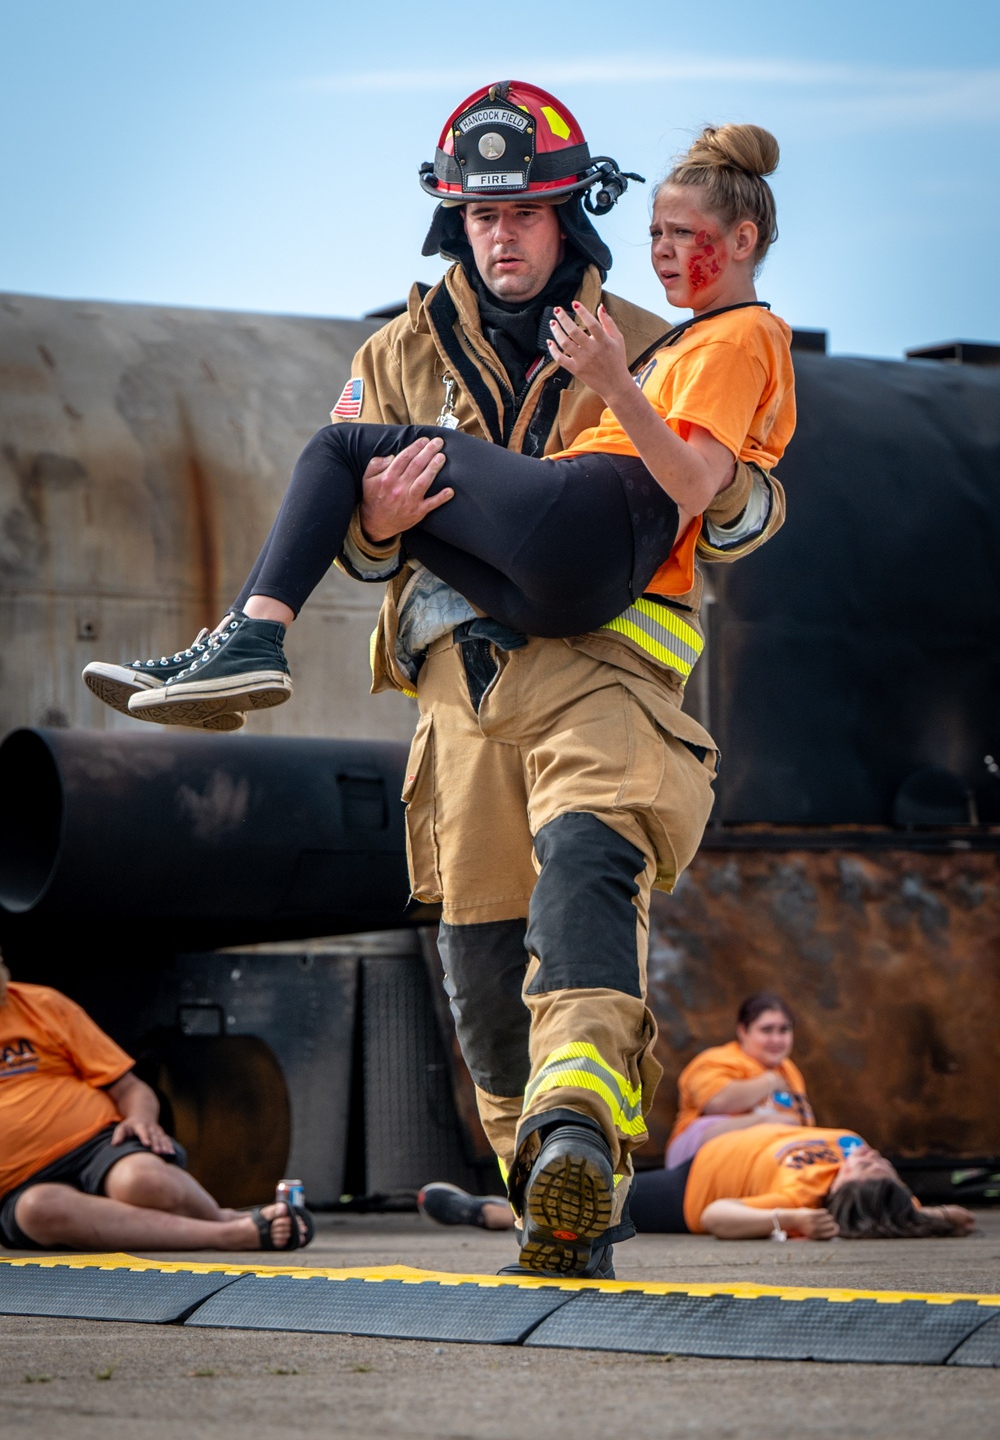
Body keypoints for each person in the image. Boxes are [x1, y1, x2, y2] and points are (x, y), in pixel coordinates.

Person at [83, 82, 788, 1280]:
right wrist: (374, 521)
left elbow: (735, 511)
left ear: (570, 218)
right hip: (458, 697)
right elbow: (359, 540)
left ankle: (576, 1135)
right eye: (476, 218)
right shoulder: (393, 355)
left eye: (522, 216)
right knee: (478, 959)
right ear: (450, 224)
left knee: (587, 875)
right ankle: (550, 1197)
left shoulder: (656, 332)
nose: (500, 237)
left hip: (606, 671)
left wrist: (680, 453)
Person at [0, 951, 313, 1253]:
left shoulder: (42, 1005)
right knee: (39, 1210)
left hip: (97, 1145)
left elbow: (130, 1088)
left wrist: (141, 1120)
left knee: (143, 1181)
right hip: (17, 1183)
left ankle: (227, 1219)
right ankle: (230, 1234)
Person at [628, 1122, 975, 1240]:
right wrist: (933, 1216)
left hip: (692, 1185)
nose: (874, 1156)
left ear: (843, 1189)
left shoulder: (804, 1198)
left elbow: (715, 1215)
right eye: (884, 1165)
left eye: (868, 1167)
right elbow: (960, 1216)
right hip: (722, 1148)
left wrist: (790, 1219)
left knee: (603, 1197)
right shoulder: (889, 1197)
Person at [667, 992, 814, 1168]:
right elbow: (717, 1103)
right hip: (695, 1152)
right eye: (766, 1030)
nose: (776, 1039)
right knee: (781, 1122)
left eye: (784, 1030)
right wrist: (771, 1081)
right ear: (743, 1031)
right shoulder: (715, 1060)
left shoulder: (789, 1070)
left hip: (764, 1156)